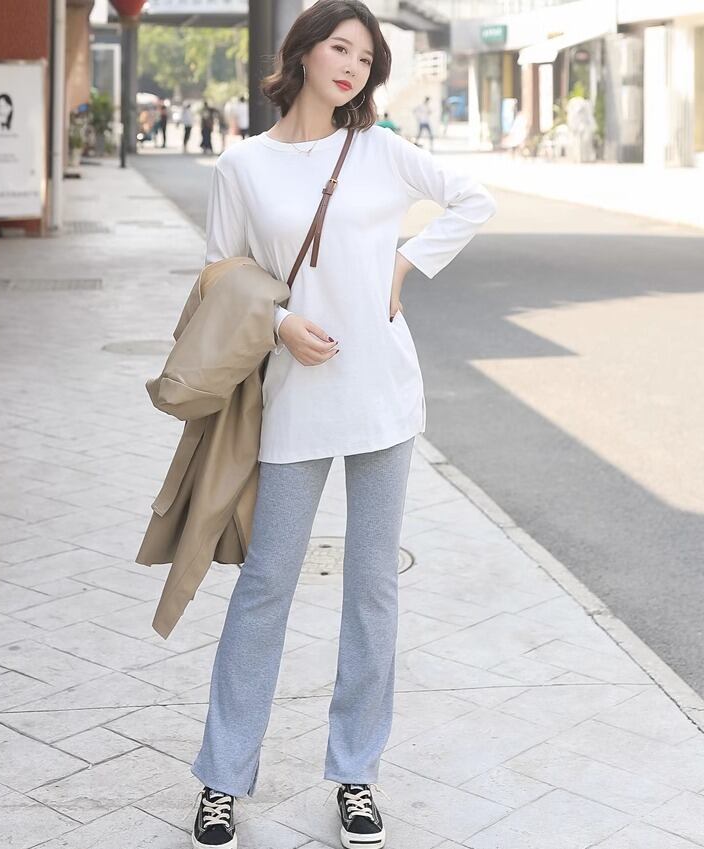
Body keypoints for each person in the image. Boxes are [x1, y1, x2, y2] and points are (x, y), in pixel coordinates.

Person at [189, 2, 495, 848]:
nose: (354, 65)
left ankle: (356, 772)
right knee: (266, 584)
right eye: (340, 47)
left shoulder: (382, 151)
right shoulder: (243, 166)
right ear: (303, 53)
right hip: (296, 398)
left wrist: (405, 262)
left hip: (383, 396)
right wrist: (280, 323)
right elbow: (219, 273)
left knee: (372, 587)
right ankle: (221, 778)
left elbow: (473, 198)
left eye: (367, 56)